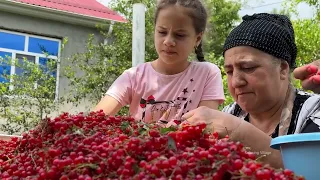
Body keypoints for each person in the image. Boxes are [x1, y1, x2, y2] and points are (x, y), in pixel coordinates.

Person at [181, 13, 320, 169]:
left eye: (248, 68)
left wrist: (238, 132)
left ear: (282, 68)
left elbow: (308, 171)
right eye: (229, 71)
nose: (236, 82)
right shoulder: (231, 113)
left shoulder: (313, 112)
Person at [93, 0, 225, 123]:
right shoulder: (133, 77)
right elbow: (94, 120)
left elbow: (204, 126)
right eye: (162, 32)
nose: (168, 41)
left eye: (179, 35)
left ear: (197, 38)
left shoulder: (208, 74)